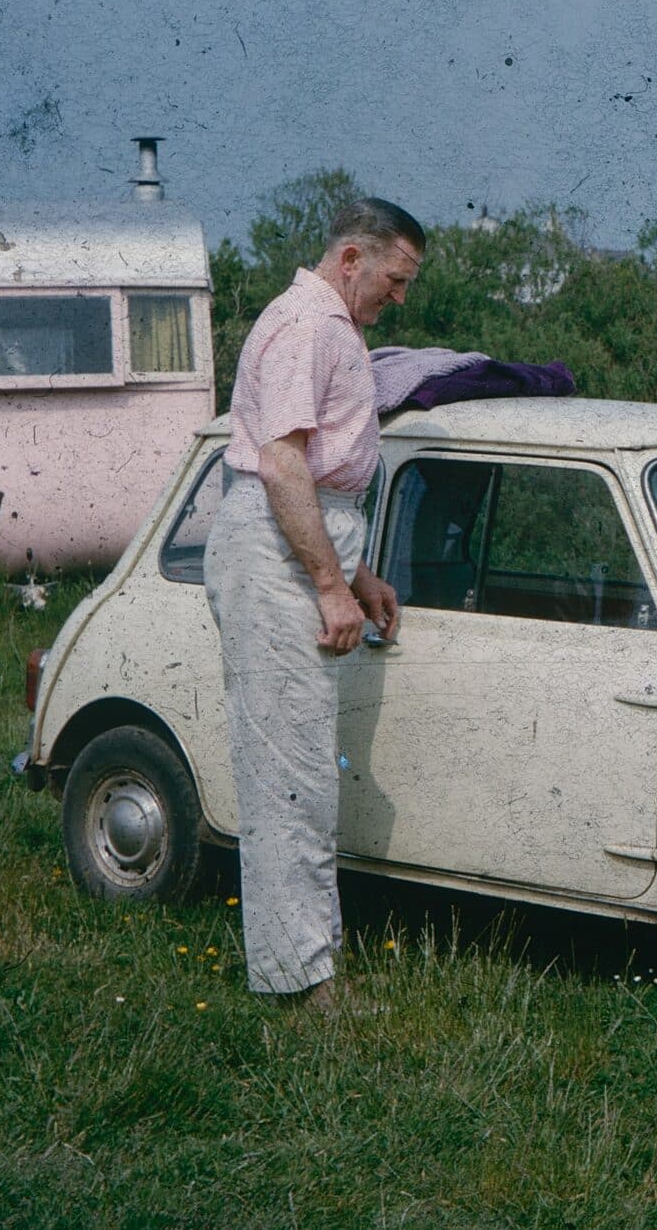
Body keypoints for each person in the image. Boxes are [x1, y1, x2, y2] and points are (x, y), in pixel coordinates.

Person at [203, 198, 424, 1008]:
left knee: (306, 778)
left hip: (305, 543)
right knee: (289, 777)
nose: (398, 298)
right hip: (275, 553)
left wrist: (355, 574)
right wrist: (331, 584)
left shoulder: (335, 325)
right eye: (394, 280)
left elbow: (325, 472)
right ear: (351, 259)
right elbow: (284, 464)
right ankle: (297, 985)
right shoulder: (308, 324)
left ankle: (310, 963)